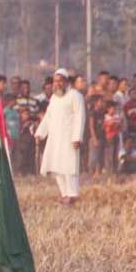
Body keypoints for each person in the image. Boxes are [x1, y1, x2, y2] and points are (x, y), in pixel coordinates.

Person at [35, 70, 86, 205]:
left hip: (69, 138)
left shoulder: (75, 96)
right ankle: (65, 194)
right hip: (55, 138)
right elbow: (48, 117)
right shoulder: (54, 98)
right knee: (56, 167)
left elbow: (80, 117)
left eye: (60, 81)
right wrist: (40, 133)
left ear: (66, 82)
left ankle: (72, 194)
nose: (57, 84)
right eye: (55, 81)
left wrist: (77, 137)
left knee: (69, 167)